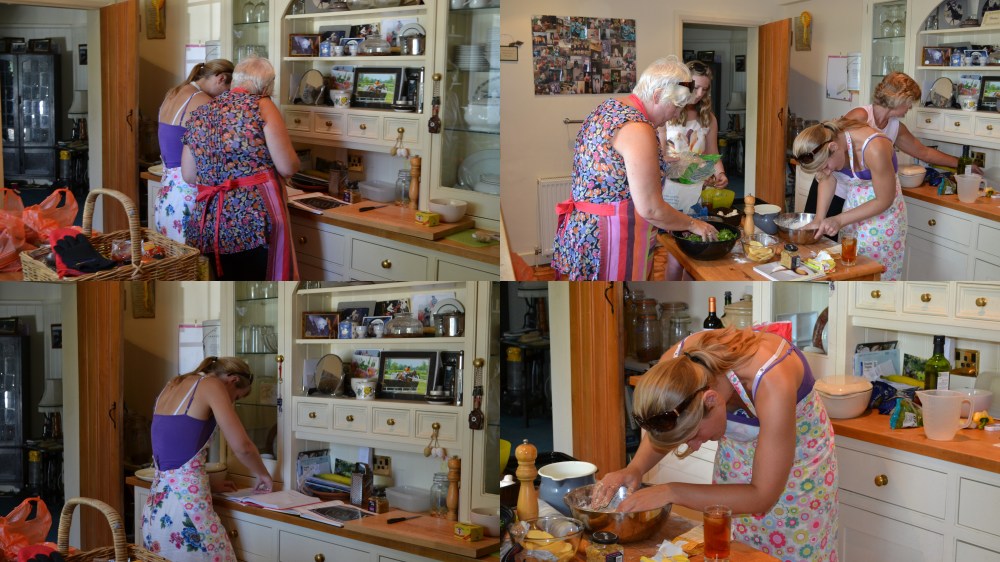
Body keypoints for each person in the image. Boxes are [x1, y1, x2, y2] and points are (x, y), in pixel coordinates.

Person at [593, 327, 838, 562]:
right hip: (735, 463)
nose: (694, 446)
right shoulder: (675, 367)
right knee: (733, 551)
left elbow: (762, 495)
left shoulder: (772, 378)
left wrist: (670, 491)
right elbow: (668, 427)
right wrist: (635, 468)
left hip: (799, 475)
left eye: (694, 435)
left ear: (711, 400)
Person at [551, 56, 719, 281]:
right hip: (610, 238)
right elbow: (651, 209)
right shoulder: (638, 128)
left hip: (583, 230)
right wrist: (693, 224)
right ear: (657, 96)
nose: (676, 114)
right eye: (676, 106)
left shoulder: (609, 107)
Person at [141, 356, 273, 561]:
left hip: (156, 508)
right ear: (233, 380)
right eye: (237, 397)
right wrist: (263, 475)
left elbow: (173, 453)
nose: (232, 402)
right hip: (186, 511)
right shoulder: (212, 385)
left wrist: (208, 484)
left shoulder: (174, 383)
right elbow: (243, 448)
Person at [182, 56, 300, 280]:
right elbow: (287, 167)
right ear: (267, 87)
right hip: (253, 220)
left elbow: (188, 175)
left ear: (235, 79)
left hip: (209, 221)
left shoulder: (201, 112)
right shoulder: (261, 105)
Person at [804, 72, 981, 221]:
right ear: (900, 99)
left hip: (857, 200)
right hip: (831, 190)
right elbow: (829, 154)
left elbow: (924, 152)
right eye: (910, 102)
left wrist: (963, 163)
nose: (910, 108)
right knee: (818, 241)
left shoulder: (895, 127)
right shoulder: (860, 117)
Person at [793, 118, 906, 279]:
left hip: (883, 221)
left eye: (825, 166)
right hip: (851, 215)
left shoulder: (875, 148)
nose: (826, 172)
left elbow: (884, 200)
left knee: (874, 278)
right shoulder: (828, 138)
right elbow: (827, 178)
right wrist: (819, 219)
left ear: (833, 147)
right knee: (848, 271)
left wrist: (839, 220)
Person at [154, 59, 234, 244]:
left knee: (172, 255)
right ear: (221, 79)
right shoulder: (203, 101)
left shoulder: (174, 92)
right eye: (227, 91)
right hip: (188, 191)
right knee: (192, 257)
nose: (225, 96)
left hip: (167, 191)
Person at [660, 60, 728, 214]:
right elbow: (660, 157)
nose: (699, 94)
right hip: (669, 189)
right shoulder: (667, 114)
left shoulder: (708, 118)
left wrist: (720, 174)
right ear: (683, 84)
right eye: (696, 87)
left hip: (697, 189)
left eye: (704, 89)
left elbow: (712, 153)